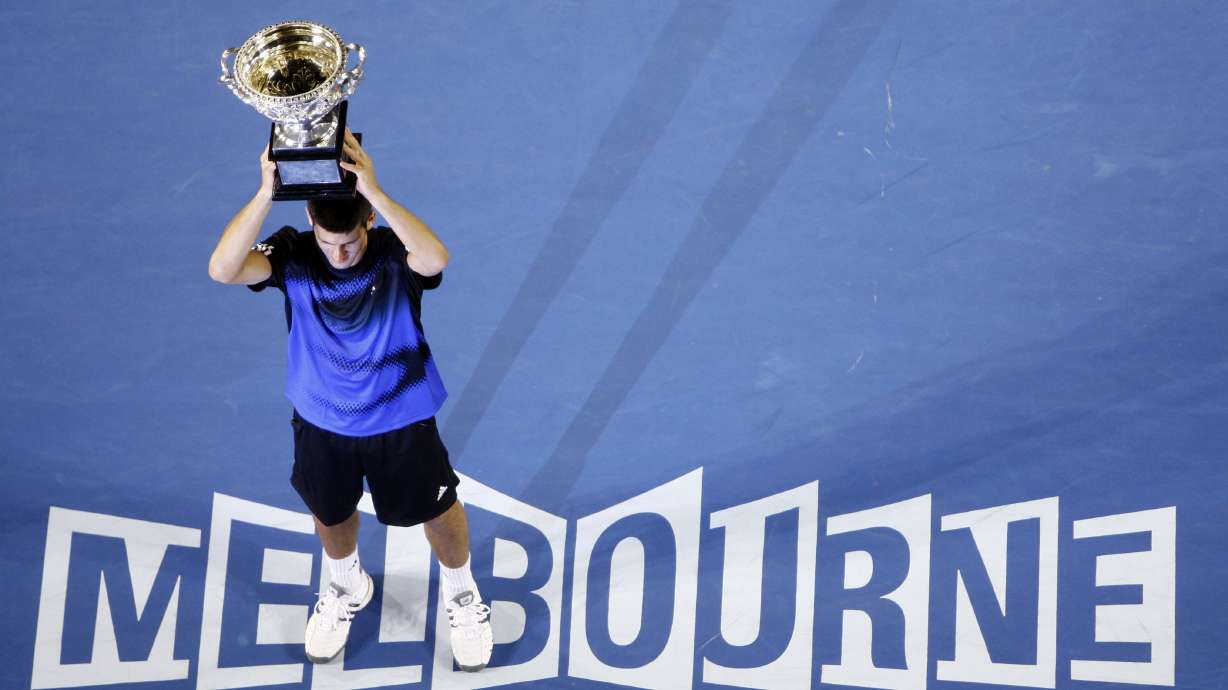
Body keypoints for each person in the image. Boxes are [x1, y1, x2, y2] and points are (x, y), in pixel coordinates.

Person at [207, 131, 493, 671]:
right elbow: (223, 269)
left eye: (350, 242)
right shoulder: (291, 251)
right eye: (327, 241)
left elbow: (435, 258)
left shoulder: (392, 254)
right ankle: (344, 586)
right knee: (330, 511)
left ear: (369, 224)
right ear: (311, 224)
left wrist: (377, 193)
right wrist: (266, 191)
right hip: (321, 420)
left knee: (438, 509)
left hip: (400, 419)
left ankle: (462, 596)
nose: (338, 255)